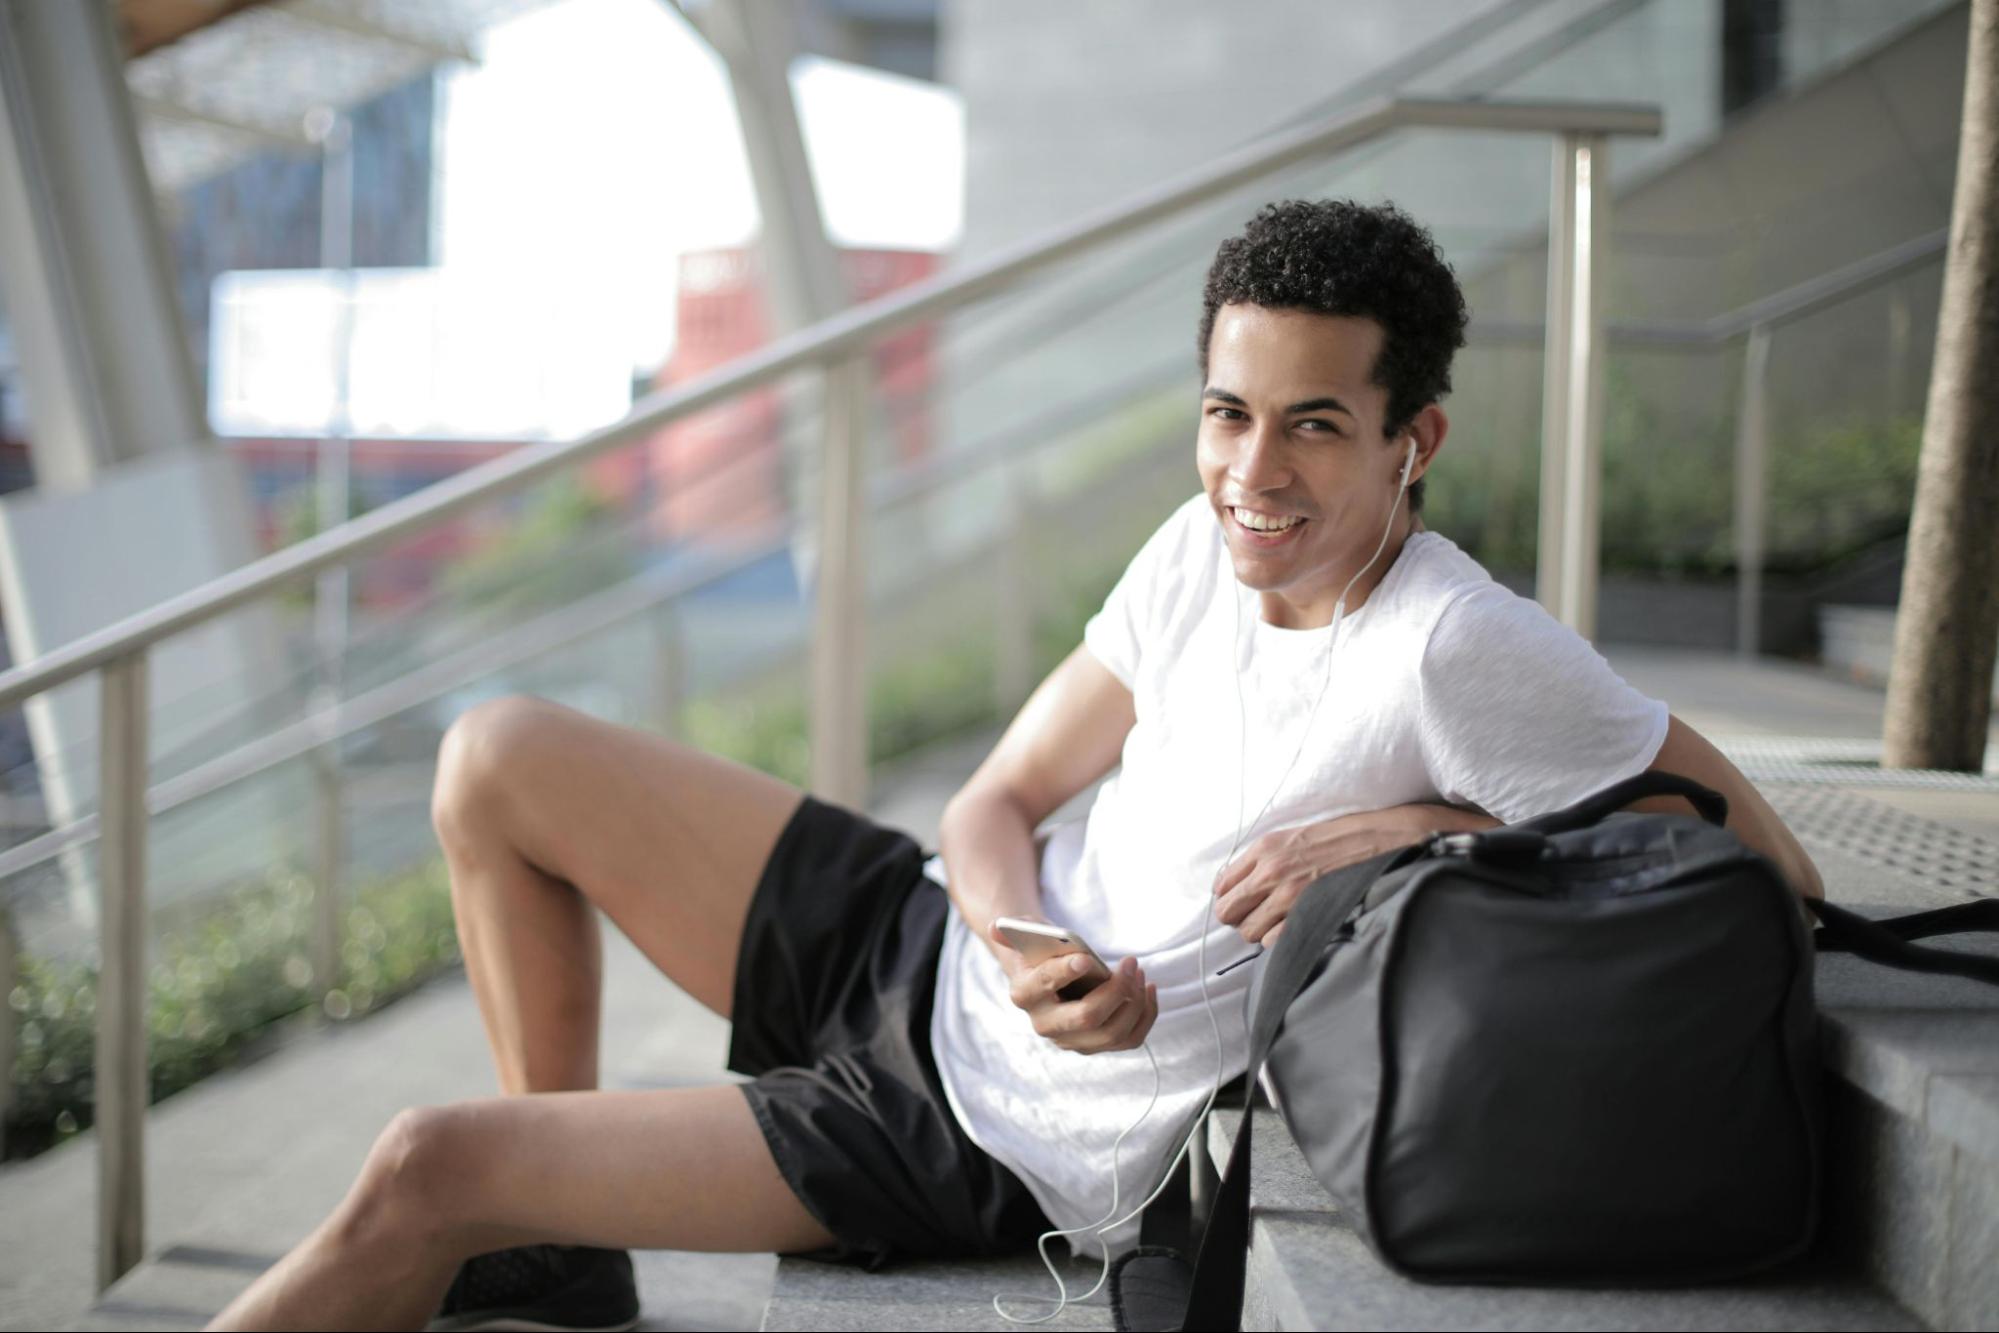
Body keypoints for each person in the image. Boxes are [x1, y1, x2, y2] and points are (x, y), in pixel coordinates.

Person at [207, 199, 1824, 1332]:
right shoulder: (1205, 547)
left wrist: (1422, 828)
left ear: (1419, 439)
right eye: (1228, 412)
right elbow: (995, 800)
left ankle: (522, 1211)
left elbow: (1765, 864)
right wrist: (1013, 929)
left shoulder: (1461, 647)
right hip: (939, 936)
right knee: (496, 756)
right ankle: (563, 1258)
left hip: (988, 1134)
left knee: (426, 1166)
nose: (1253, 473)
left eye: (1316, 425)